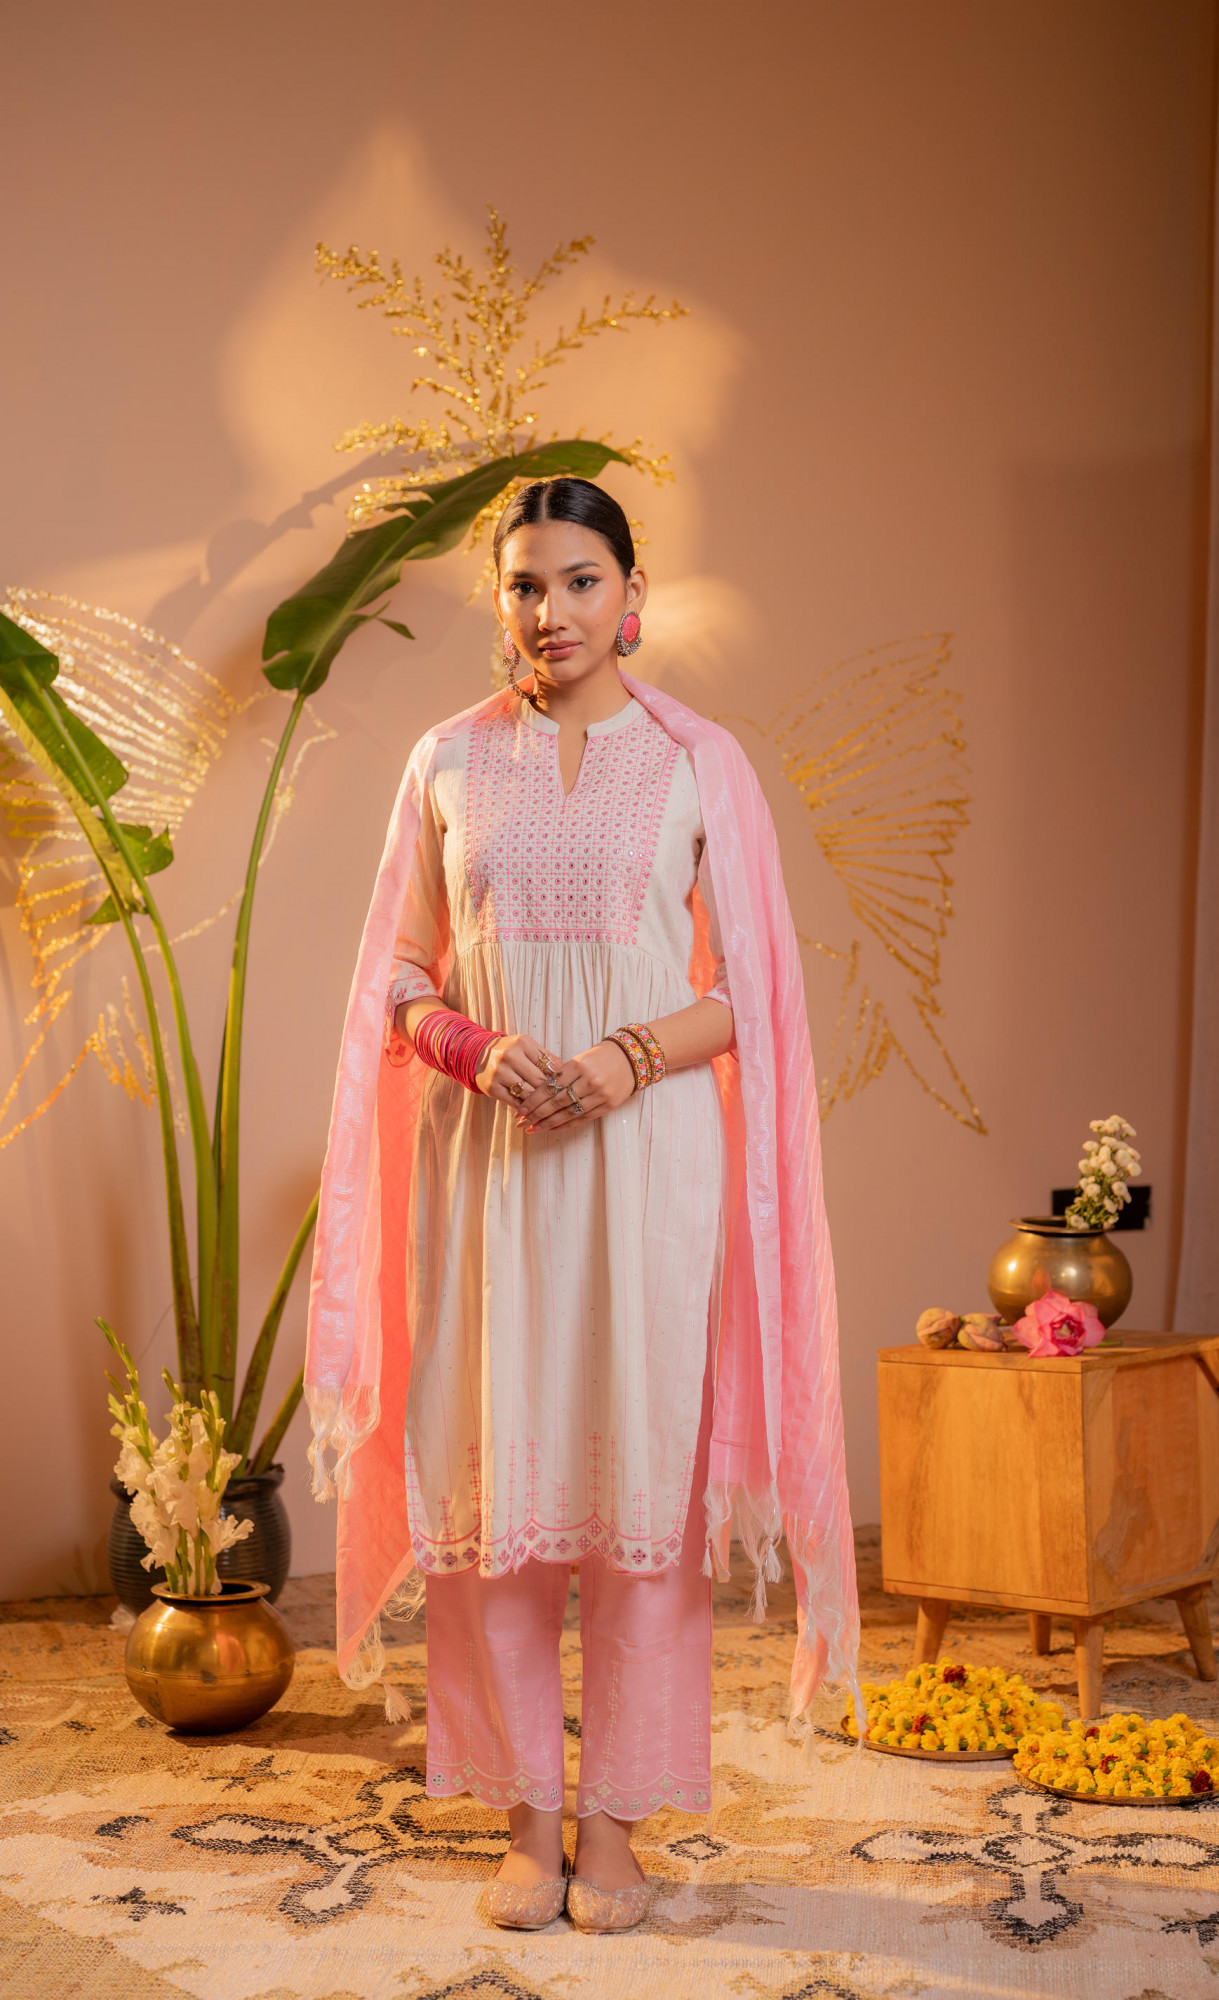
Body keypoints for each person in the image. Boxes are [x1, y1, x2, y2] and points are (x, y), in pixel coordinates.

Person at [304, 477, 859, 1936]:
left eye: (579, 580)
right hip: (486, 1169)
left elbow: (756, 995)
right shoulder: (444, 760)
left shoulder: (698, 764)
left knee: (641, 1500)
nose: (550, 611)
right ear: (500, 602)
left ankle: (613, 1824)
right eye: (524, 585)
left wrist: (624, 1059)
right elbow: (397, 973)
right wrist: (473, 1048)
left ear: (632, 596)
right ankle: (526, 1824)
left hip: (646, 1163)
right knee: (493, 1497)